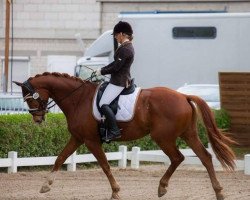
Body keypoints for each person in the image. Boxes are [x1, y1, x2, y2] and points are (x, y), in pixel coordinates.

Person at [95, 21, 135, 141]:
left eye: (116, 35)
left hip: (119, 82)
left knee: (103, 104)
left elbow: (116, 67)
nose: (116, 38)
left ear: (122, 34)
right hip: (119, 79)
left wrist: (101, 72)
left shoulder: (126, 49)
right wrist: (102, 69)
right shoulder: (125, 47)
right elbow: (115, 64)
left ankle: (114, 130)